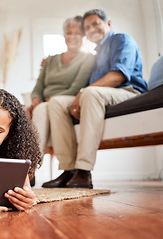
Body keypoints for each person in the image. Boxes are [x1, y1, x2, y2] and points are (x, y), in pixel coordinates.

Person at [42, 9, 148, 188]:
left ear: (108, 23)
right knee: (57, 103)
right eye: (87, 27)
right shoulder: (95, 55)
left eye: (95, 23)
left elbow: (118, 76)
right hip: (103, 95)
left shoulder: (122, 40)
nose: (91, 29)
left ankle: (84, 171)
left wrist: (83, 93)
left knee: (90, 93)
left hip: (128, 91)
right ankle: (69, 170)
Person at [26, 16, 96, 159]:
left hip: (68, 100)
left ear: (83, 36)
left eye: (78, 33)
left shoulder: (88, 58)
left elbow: (77, 87)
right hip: (45, 103)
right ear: (64, 35)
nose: (73, 37)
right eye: (69, 33)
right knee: (36, 110)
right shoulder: (50, 59)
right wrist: (36, 100)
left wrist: (46, 101)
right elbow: (38, 86)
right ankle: (28, 164)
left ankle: (31, 165)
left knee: (43, 109)